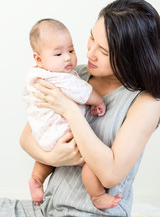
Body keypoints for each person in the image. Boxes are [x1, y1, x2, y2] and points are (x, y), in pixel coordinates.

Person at [0, 0, 160, 217]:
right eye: (91, 38)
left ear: (131, 57)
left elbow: (110, 174)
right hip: (47, 208)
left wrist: (69, 110)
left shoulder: (147, 103)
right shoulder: (75, 76)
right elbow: (27, 138)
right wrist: (55, 158)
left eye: (103, 51)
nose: (90, 53)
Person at [22, 18, 121, 208]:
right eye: (58, 54)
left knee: (45, 158)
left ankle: (37, 177)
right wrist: (98, 100)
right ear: (38, 59)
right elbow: (83, 91)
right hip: (64, 132)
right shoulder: (61, 78)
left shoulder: (35, 75)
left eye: (71, 50)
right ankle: (98, 196)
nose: (67, 58)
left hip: (42, 135)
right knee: (90, 164)